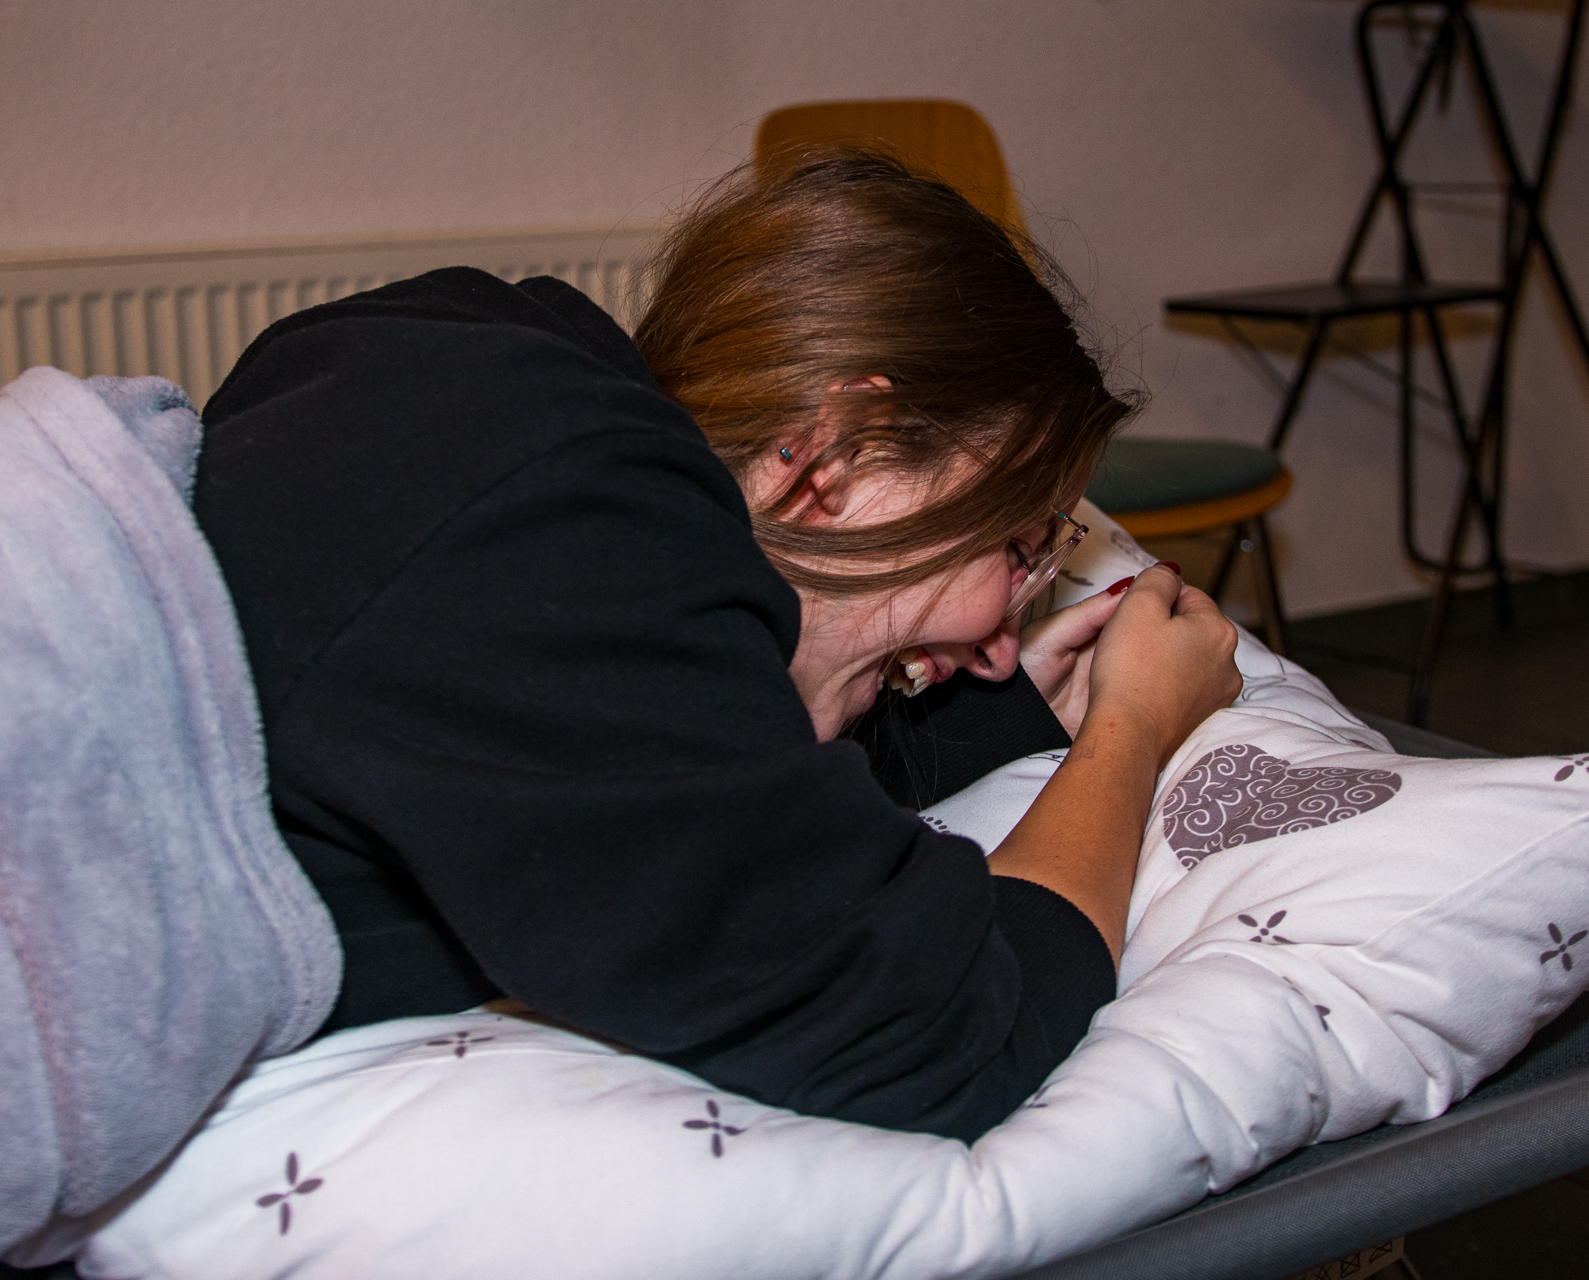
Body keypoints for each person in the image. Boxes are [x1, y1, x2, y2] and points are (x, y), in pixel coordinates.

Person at [193, 149, 1240, 1143]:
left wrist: (1005, 717)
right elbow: (949, 1037)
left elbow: (688, 768)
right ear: (843, 450)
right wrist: (1131, 733)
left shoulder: (484, 379)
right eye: (1016, 545)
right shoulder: (549, 528)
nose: (1003, 649)